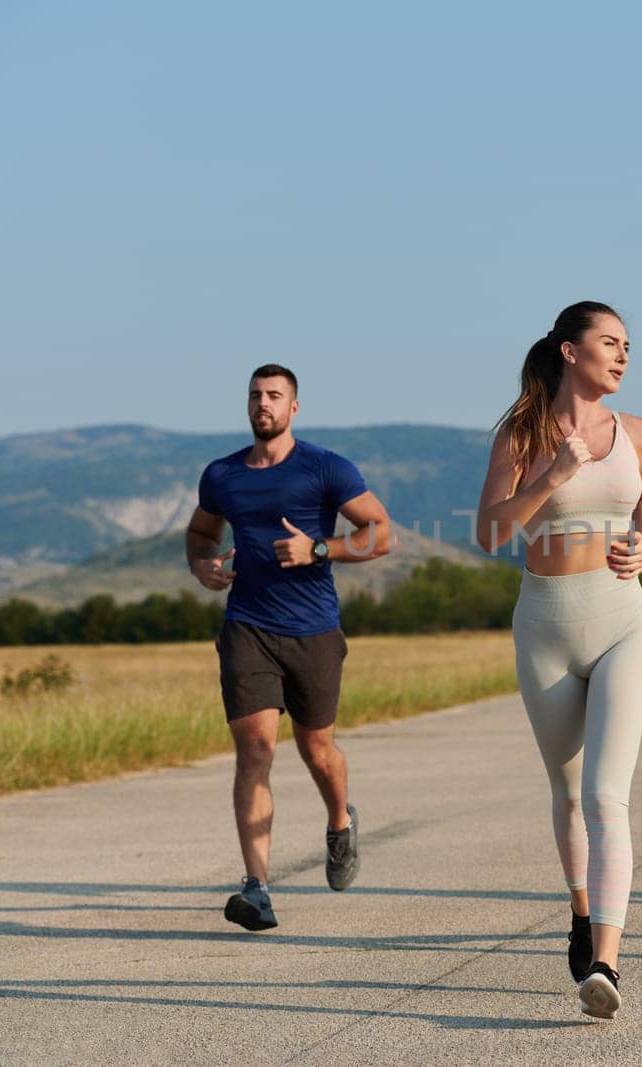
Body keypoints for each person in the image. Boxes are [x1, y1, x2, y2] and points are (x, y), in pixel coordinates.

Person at [475, 301, 642, 1019]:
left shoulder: (637, 432)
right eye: (609, 343)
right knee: (568, 788)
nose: (621, 356)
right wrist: (550, 474)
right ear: (568, 350)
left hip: (622, 618)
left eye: (626, 346)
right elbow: (491, 534)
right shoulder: (522, 434)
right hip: (545, 622)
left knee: (607, 795)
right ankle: (581, 911)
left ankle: (607, 960)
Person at [185, 363, 393, 931]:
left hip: (315, 632)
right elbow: (201, 532)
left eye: (274, 395)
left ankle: (339, 823)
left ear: (294, 408)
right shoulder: (222, 474)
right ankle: (256, 888)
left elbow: (381, 532)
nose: (263, 404)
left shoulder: (325, 468)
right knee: (255, 750)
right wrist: (202, 563)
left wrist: (319, 551)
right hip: (248, 627)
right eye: (255, 395)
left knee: (317, 750)